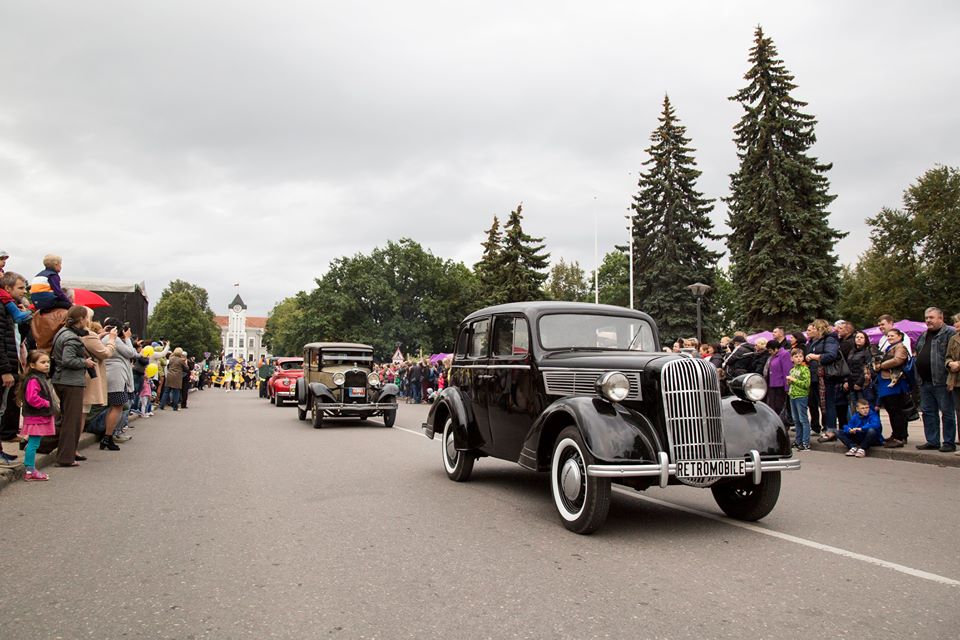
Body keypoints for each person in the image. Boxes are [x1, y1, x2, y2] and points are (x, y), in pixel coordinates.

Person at [51, 305, 96, 466]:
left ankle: (48, 447)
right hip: (70, 382)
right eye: (87, 318)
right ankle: (65, 458)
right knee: (72, 421)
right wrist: (85, 362)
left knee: (66, 419)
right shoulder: (71, 337)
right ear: (82, 319)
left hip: (62, 380)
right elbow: (68, 360)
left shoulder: (62, 333)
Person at [913, 307, 957, 452]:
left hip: (942, 381)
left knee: (947, 412)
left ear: (941, 318)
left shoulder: (949, 333)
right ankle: (932, 441)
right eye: (926, 318)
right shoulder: (924, 335)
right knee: (928, 412)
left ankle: (949, 442)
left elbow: (953, 356)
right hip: (924, 382)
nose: (928, 320)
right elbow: (918, 353)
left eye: (931, 317)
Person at [16, 351, 57, 481]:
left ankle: (30, 468)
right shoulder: (34, 379)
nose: (47, 365)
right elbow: (32, 398)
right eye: (43, 362)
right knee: (34, 443)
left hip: (38, 416)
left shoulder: (39, 377)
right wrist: (45, 403)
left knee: (34, 443)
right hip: (36, 416)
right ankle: (30, 470)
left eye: (48, 362)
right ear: (32, 365)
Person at [101, 317, 137, 450]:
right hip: (116, 377)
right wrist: (127, 338)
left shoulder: (104, 338)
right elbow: (131, 353)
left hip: (111, 375)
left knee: (114, 407)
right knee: (117, 406)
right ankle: (108, 436)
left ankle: (107, 435)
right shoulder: (114, 339)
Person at [806, 319, 842, 442]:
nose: (812, 330)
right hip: (817, 376)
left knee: (828, 404)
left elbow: (831, 355)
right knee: (822, 404)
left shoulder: (830, 339)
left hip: (827, 377)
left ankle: (831, 429)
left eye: (814, 328)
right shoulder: (815, 342)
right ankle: (827, 428)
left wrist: (815, 357)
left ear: (820, 329)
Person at [876, 328, 912, 448]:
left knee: (896, 410)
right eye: (889, 336)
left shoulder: (900, 347)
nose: (890, 337)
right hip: (886, 382)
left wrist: (881, 365)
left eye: (892, 336)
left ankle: (899, 437)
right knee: (891, 410)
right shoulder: (890, 348)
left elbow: (898, 360)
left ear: (899, 336)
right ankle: (895, 434)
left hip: (894, 383)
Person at [786, 348, 812, 450]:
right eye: (796, 357)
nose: (798, 359)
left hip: (801, 396)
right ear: (791, 358)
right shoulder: (792, 370)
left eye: (800, 356)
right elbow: (793, 382)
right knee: (796, 420)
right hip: (793, 395)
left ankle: (805, 442)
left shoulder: (805, 369)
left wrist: (794, 380)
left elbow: (806, 384)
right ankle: (798, 441)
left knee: (803, 419)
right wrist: (789, 382)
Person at [764, 340, 791, 419]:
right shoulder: (774, 355)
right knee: (772, 406)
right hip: (772, 385)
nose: (769, 352)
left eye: (770, 350)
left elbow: (787, 371)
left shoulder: (784, 354)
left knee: (779, 407)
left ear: (776, 349)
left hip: (780, 386)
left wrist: (787, 387)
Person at [946, 313, 960, 455]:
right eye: (955, 322)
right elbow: (948, 356)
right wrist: (950, 363)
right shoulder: (953, 339)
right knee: (959, 412)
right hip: (956, 380)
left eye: (957, 322)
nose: (955, 325)